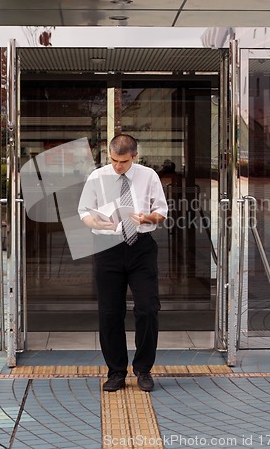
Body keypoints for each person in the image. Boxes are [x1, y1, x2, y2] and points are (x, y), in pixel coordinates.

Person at [78, 134, 168, 392]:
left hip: (141, 247)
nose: (118, 166)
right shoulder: (97, 177)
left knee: (148, 308)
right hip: (107, 248)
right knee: (109, 312)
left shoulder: (148, 175)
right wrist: (95, 222)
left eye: (124, 161)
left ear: (134, 157)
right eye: (114, 160)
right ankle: (116, 371)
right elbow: (84, 211)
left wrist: (145, 218)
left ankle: (143, 369)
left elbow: (161, 212)